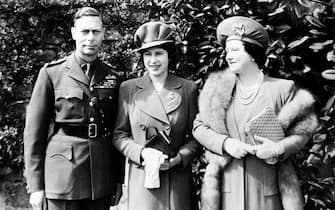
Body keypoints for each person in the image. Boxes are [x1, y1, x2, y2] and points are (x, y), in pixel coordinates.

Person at [193, 16, 319, 210]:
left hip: (269, 195)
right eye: (227, 51)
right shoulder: (218, 91)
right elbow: (198, 127)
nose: (228, 56)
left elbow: (303, 133)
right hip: (227, 193)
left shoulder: (282, 89)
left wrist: (278, 149)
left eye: (235, 50)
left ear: (252, 53)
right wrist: (226, 143)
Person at [24, 7, 124, 210]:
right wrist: (35, 186)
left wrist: (118, 180)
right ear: (73, 33)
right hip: (62, 175)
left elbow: (118, 131)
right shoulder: (52, 73)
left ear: (103, 34)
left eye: (96, 32)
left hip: (100, 177)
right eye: (84, 31)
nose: (90, 38)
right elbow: (34, 133)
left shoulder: (113, 76)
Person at [112, 21, 200, 210]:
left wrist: (180, 158)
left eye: (159, 53)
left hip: (176, 181)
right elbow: (119, 135)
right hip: (142, 179)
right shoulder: (128, 89)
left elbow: (197, 137)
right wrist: (141, 153)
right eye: (147, 54)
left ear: (169, 56)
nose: (153, 60)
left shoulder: (187, 89)